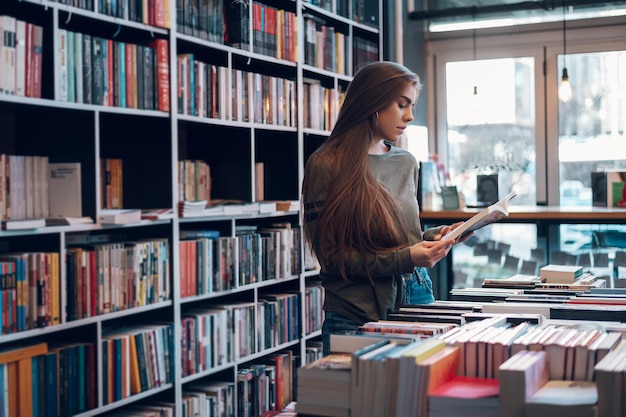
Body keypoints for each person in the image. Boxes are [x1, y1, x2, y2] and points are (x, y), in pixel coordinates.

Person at [301, 61, 469, 355]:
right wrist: (408, 257)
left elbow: (404, 239)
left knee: (419, 399)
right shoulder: (326, 164)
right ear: (373, 102)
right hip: (357, 314)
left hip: (418, 298)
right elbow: (334, 259)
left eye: (412, 105)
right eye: (402, 104)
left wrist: (436, 237)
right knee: (362, 401)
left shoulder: (406, 162)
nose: (410, 116)